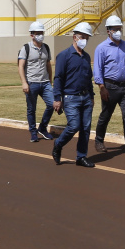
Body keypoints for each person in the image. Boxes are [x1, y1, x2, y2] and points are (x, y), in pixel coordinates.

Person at [93, 15, 125, 154]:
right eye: (115, 29)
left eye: (119, 29)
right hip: (109, 87)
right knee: (106, 115)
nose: (118, 32)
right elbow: (97, 69)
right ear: (108, 31)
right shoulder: (101, 48)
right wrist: (102, 87)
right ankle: (99, 140)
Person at [52, 22, 96, 168]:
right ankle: (58, 144)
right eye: (82, 37)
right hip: (70, 97)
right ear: (75, 37)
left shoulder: (86, 56)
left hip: (86, 98)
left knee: (85, 128)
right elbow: (58, 78)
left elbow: (88, 78)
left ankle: (81, 156)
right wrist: (57, 99)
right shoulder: (64, 55)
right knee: (74, 125)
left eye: (87, 38)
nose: (84, 40)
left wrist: (91, 95)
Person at [17, 20, 54, 143]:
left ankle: (42, 128)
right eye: (38, 33)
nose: (40, 35)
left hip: (45, 83)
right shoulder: (26, 48)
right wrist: (24, 82)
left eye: (42, 32)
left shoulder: (46, 48)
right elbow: (21, 66)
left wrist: (50, 80)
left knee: (52, 104)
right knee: (31, 109)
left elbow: (48, 64)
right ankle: (33, 132)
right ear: (32, 35)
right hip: (31, 83)